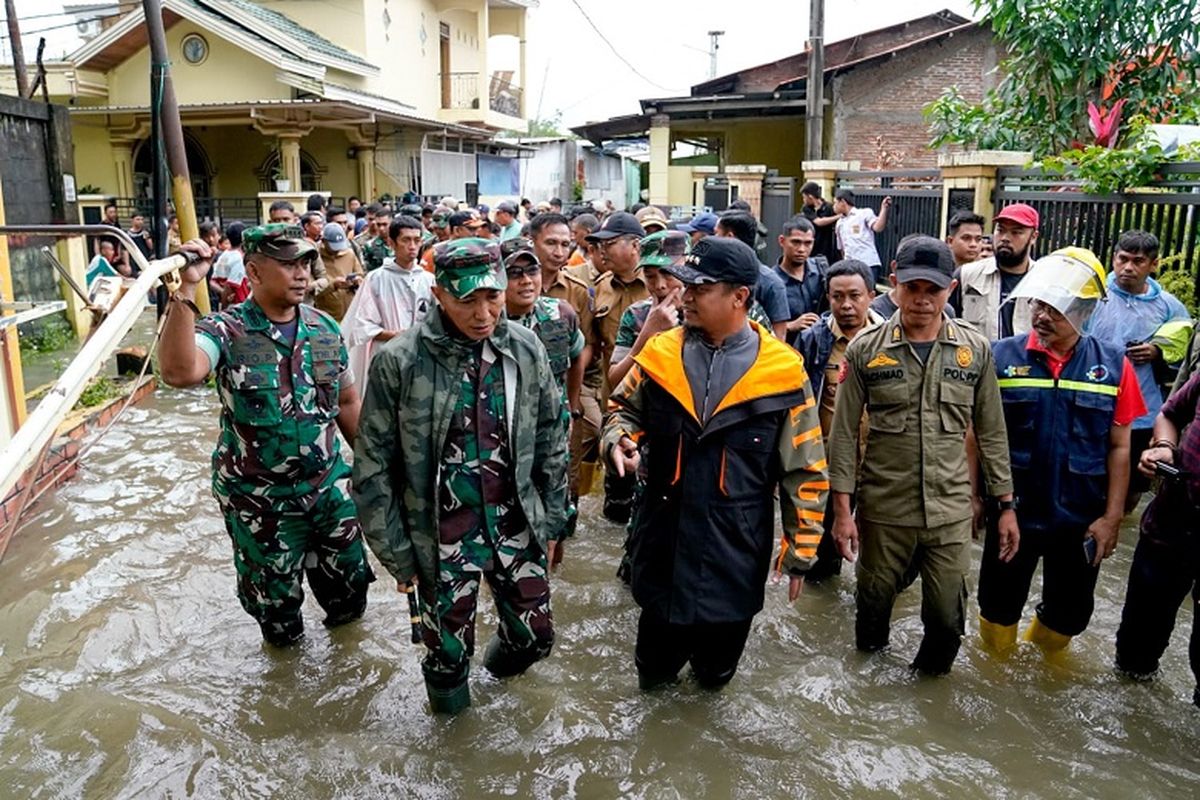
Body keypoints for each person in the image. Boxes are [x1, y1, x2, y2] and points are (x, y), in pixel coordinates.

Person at [602, 236, 828, 689]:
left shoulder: (783, 373)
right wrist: (617, 440)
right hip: (663, 543)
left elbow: (805, 466)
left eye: (698, 289)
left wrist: (801, 550)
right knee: (653, 678)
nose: (683, 297)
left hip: (734, 552)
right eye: (684, 286)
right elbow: (620, 409)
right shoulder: (661, 354)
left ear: (740, 297)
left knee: (715, 681)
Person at [352, 238, 568, 714]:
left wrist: (554, 521)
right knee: (447, 656)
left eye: (492, 296)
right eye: (467, 300)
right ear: (440, 293)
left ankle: (493, 683)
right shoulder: (401, 361)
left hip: (515, 524)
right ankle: (453, 748)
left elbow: (552, 434)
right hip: (439, 537)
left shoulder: (524, 349)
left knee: (536, 637)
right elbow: (372, 466)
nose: (484, 312)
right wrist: (397, 554)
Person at [157, 225, 374, 647]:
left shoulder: (325, 327)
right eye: (288, 264)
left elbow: (347, 403)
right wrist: (185, 289)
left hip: (328, 492)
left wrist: (378, 469)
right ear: (253, 272)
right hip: (261, 504)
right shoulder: (227, 329)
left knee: (350, 605)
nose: (302, 274)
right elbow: (180, 372)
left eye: (305, 263)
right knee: (279, 624)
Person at [828, 235, 1018, 675]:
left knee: (947, 621)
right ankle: (872, 702)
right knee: (872, 613)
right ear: (893, 283)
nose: (921, 300)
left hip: (950, 513)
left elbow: (991, 433)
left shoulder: (974, 353)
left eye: (932, 290)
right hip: (884, 512)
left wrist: (1005, 506)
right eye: (911, 287)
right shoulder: (865, 350)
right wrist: (842, 511)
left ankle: (929, 699)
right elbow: (841, 438)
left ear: (949, 290)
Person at [980, 248, 1145, 655]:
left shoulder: (1113, 365)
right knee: (997, 607)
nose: (1042, 316)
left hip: (1080, 517)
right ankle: (998, 678)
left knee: (1070, 614)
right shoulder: (1002, 357)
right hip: (1013, 511)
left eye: (1056, 308)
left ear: (1084, 310)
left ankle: (1042, 668)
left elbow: (1120, 447)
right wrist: (974, 499)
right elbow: (977, 433)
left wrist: (1111, 518)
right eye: (1039, 303)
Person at [1086, 230, 1192, 511]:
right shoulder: (1094, 296)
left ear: (1153, 265)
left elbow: (1182, 346)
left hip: (1142, 412)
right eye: (1123, 259)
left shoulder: (1170, 306)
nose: (1128, 267)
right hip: (1095, 403)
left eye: (1138, 261)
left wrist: (1157, 351)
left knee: (1134, 484)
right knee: (1090, 477)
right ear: (1113, 258)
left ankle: (1120, 521)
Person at [1115, 368, 1200, 707]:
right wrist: (1164, 446)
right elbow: (1170, 413)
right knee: (1136, 647)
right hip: (1169, 526)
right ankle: (1129, 712)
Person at [795, 259, 883, 582]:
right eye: (837, 297)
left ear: (871, 296)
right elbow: (798, 408)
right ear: (828, 298)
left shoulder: (891, 339)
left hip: (879, 468)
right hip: (829, 468)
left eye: (855, 296)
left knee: (881, 563)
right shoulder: (813, 341)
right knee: (822, 561)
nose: (846, 305)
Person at [503, 241, 586, 566]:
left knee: (557, 510)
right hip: (505, 434)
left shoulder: (560, 313)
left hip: (551, 432)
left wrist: (573, 403)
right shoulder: (485, 320)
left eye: (532, 271)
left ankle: (551, 574)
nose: (526, 280)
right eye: (515, 273)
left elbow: (577, 355)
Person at [588, 211, 649, 524]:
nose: (602, 252)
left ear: (635, 245)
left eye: (609, 244)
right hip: (615, 405)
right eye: (599, 245)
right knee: (616, 499)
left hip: (653, 404)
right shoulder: (599, 288)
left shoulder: (660, 286)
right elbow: (590, 346)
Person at [341, 215, 436, 398]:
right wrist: (398, 336)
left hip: (422, 357)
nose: (412, 246)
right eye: (406, 240)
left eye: (417, 240)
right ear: (392, 243)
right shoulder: (376, 279)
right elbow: (363, 325)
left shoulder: (428, 280)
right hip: (386, 354)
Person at [608, 231, 689, 388]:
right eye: (650, 276)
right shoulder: (637, 314)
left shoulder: (706, 311)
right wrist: (647, 334)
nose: (660, 285)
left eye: (669, 274)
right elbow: (615, 380)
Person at [951, 203, 1040, 340]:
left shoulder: (1043, 281)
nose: (1005, 238)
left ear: (1033, 237)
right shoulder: (966, 275)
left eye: (1016, 232)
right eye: (1001, 230)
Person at [716, 211, 790, 340]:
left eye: (716, 233)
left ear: (729, 237)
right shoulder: (715, 274)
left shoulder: (770, 283)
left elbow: (779, 337)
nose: (713, 238)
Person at [774, 216, 829, 344]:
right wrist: (790, 325)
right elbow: (758, 326)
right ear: (782, 241)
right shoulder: (771, 282)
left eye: (808, 243)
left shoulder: (822, 272)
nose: (801, 249)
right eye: (796, 242)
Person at [833, 189, 890, 286]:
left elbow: (878, 227)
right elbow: (842, 249)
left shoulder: (863, 214)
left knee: (866, 294)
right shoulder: (839, 223)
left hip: (868, 264)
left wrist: (884, 209)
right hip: (850, 267)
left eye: (835, 203)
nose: (833, 207)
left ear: (842, 202)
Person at [310, 222, 363, 321]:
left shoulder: (349, 254)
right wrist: (333, 285)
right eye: (333, 246)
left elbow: (360, 274)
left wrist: (357, 280)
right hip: (326, 316)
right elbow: (311, 290)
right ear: (323, 241)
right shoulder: (315, 257)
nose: (337, 250)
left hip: (350, 314)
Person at [800, 182, 840, 264]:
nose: (803, 200)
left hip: (827, 249)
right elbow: (819, 222)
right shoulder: (806, 209)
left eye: (804, 197)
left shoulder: (829, 207)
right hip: (813, 248)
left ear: (810, 197)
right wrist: (838, 216)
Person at [210, 221, 248, 307]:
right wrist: (224, 307)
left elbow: (212, 282)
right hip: (239, 306)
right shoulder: (239, 258)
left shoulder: (224, 254)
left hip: (230, 305)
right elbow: (230, 286)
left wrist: (222, 292)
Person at [360, 207, 395, 272]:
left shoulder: (400, 243)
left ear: (392, 223)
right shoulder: (369, 246)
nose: (381, 228)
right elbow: (366, 270)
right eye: (378, 225)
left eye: (385, 224)